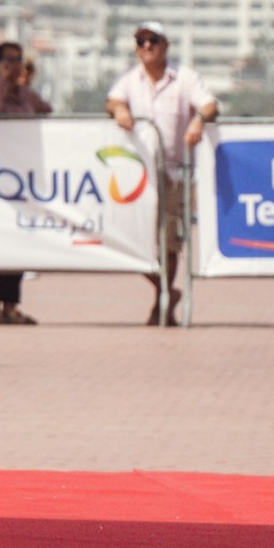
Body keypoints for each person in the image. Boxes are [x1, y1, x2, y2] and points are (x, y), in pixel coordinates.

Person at [107, 20, 217, 326]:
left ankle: (163, 299)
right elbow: (114, 98)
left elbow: (209, 105)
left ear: (165, 45)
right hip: (137, 176)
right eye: (140, 41)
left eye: (152, 40)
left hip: (173, 174)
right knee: (127, 237)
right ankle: (164, 289)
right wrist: (119, 109)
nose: (146, 47)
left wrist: (198, 120)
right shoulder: (131, 79)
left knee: (169, 241)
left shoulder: (185, 77)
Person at [0, 40, 51, 326]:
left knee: (19, 241)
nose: (13, 65)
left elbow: (47, 112)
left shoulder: (28, 96)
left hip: (24, 178)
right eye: (6, 60)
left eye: (17, 59)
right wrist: (3, 83)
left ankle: (10, 304)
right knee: (2, 241)